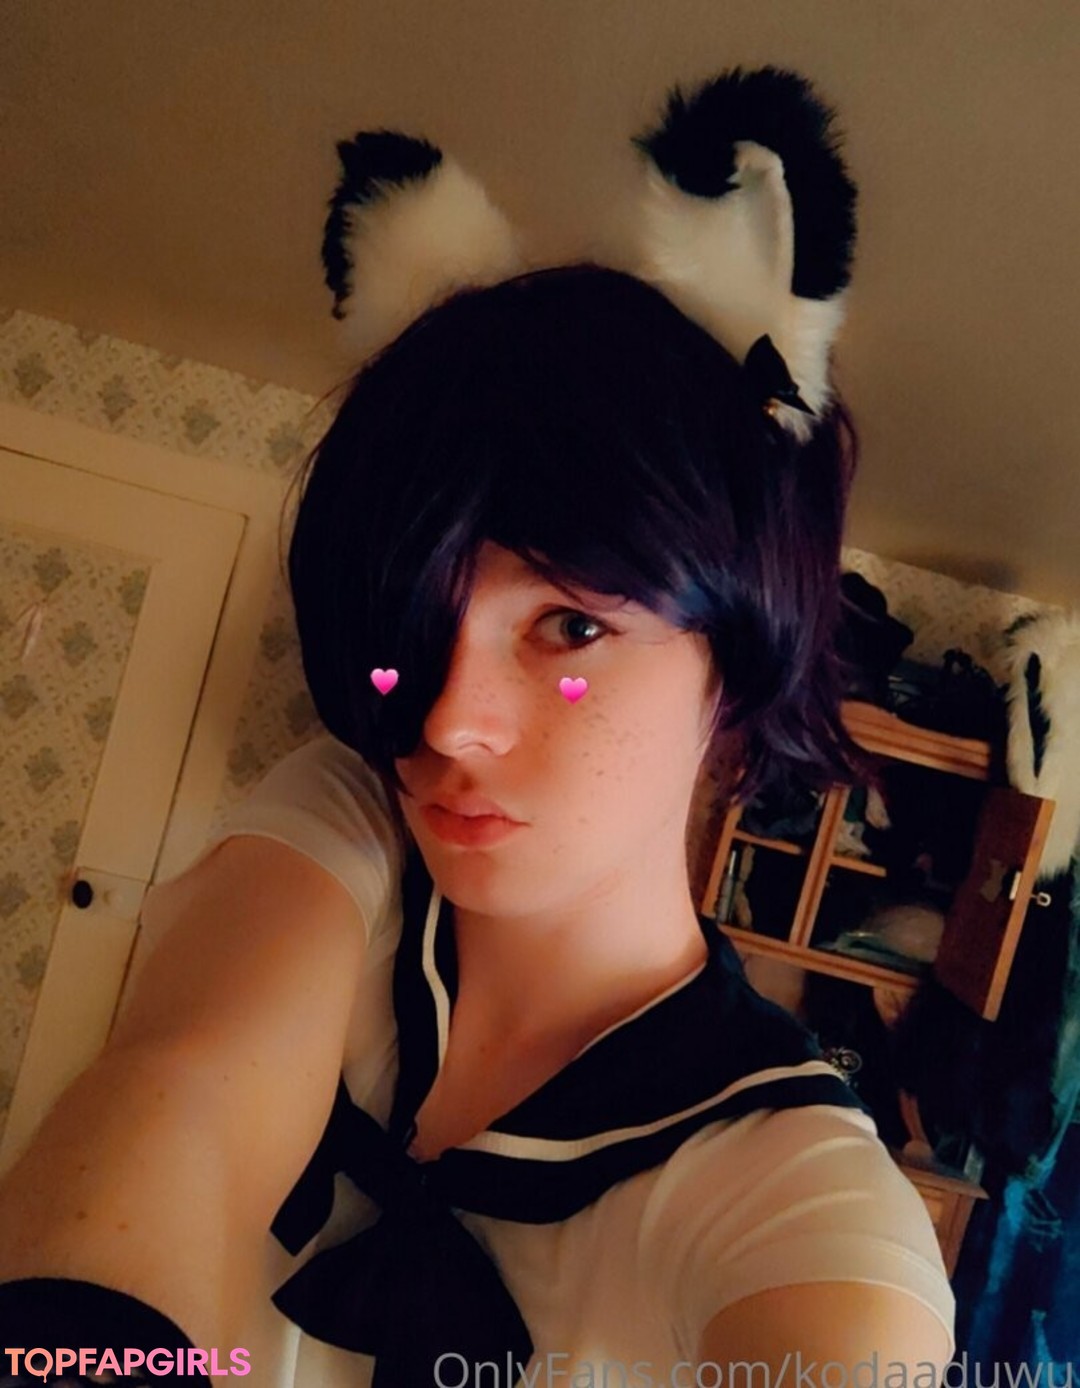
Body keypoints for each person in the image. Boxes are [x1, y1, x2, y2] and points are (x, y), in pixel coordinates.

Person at [0, 67, 956, 1387]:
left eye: (568, 628)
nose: (448, 722)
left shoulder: (794, 1190)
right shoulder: (351, 819)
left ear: (730, 668)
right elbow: (187, 1094)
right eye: (420, 623)